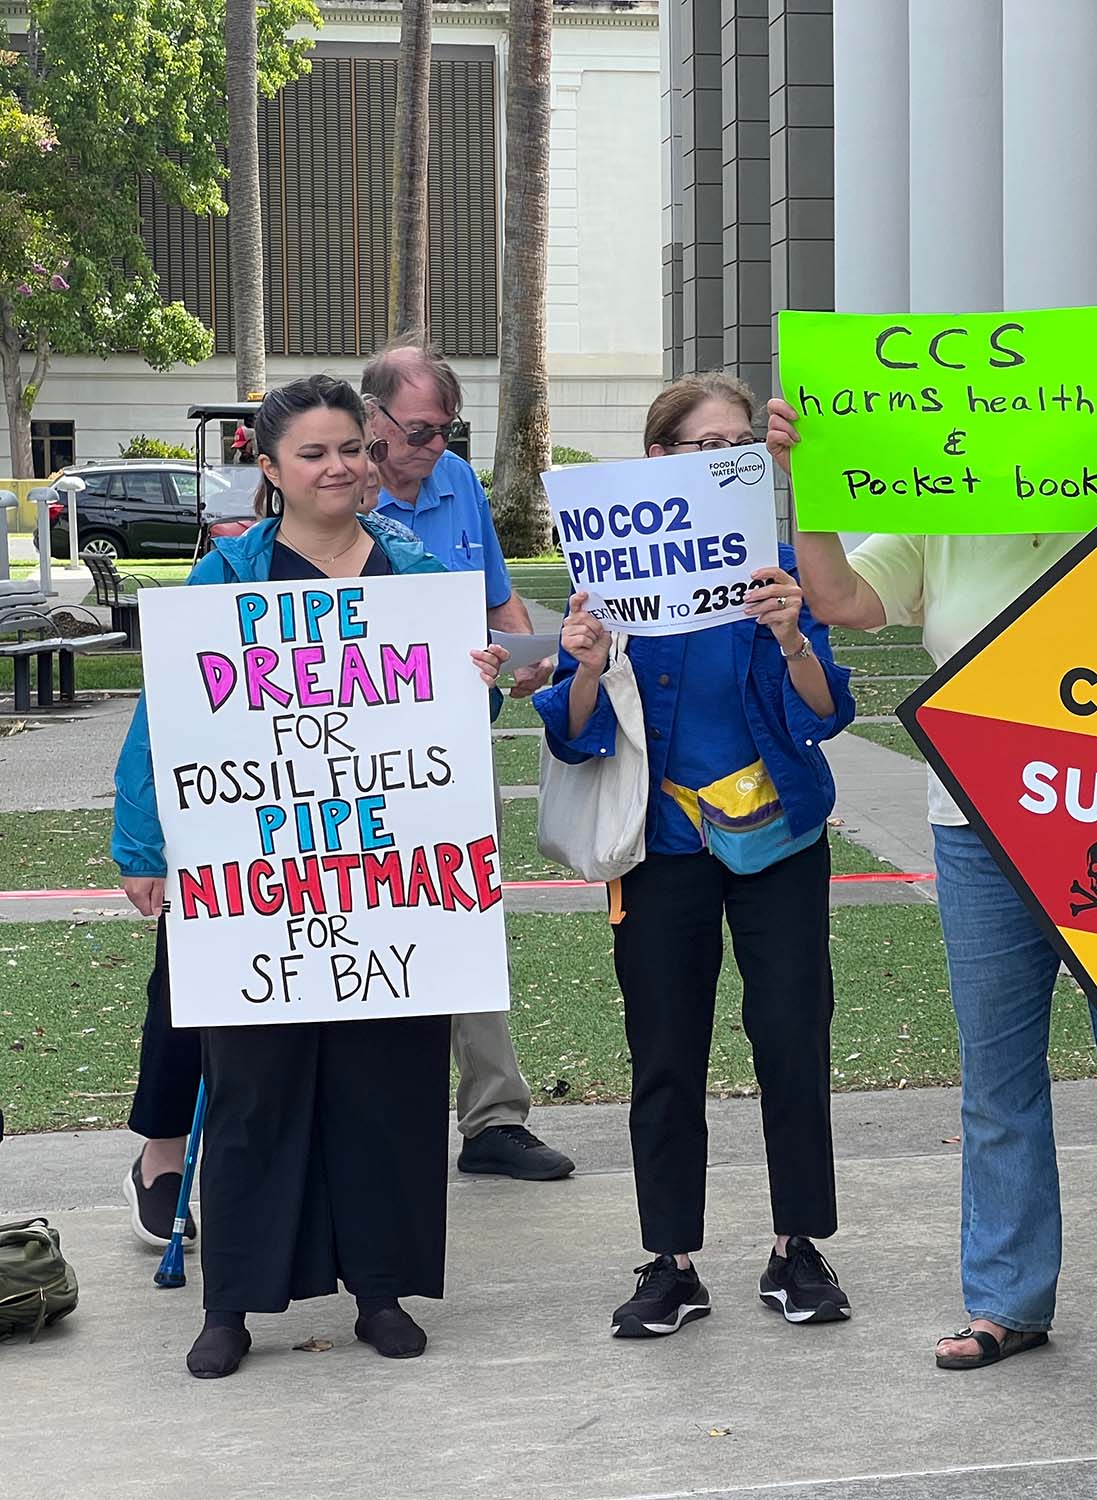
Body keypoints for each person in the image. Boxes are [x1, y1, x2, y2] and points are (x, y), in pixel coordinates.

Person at [768, 419, 1097, 1374]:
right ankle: (1007, 1299)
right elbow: (841, 599)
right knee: (997, 1071)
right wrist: (810, 477)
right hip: (976, 826)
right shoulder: (940, 508)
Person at [110, 374, 512, 1378]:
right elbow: (164, 716)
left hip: (389, 883)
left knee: (388, 1084)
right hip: (259, 885)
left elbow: (458, 722)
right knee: (253, 1087)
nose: (340, 468)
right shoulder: (226, 576)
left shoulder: (416, 572)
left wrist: (484, 685)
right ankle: (232, 1304)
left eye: (353, 449)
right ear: (271, 469)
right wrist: (145, 845)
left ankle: (381, 1289)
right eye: (315, 453)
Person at [535, 372, 858, 1338]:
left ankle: (798, 1246)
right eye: (703, 446)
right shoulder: (613, 581)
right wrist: (587, 663)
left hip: (780, 839)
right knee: (665, 1052)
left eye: (739, 447)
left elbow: (827, 713)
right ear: (657, 456)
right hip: (661, 846)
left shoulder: (776, 572)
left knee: (792, 1037)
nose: (725, 461)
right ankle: (671, 1260)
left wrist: (793, 637)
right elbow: (573, 733)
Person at [360, 334, 574, 1183]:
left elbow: (498, 596)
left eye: (446, 429)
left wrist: (528, 654)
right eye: (418, 430)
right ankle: (373, 1117)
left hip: (452, 747)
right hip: (345, 760)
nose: (434, 446)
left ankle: (493, 1118)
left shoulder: (456, 483)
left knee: (468, 916)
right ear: (371, 417)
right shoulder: (338, 486)